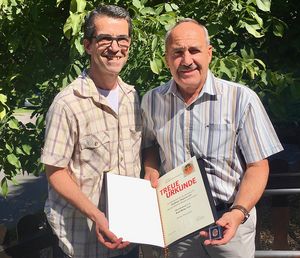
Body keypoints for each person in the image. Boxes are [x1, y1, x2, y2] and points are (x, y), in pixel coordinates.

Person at [141, 18, 283, 258]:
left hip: (229, 220)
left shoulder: (241, 99)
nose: (187, 61)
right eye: (177, 53)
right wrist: (150, 168)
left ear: (209, 54)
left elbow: (258, 166)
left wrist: (238, 213)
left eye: (194, 50)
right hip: (180, 222)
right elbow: (150, 145)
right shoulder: (152, 101)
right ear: (166, 59)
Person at [41, 5, 142, 258]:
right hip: (81, 243)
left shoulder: (133, 97)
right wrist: (96, 215)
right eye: (105, 39)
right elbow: (55, 171)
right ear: (87, 45)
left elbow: (143, 150)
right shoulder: (67, 103)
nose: (115, 48)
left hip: (128, 239)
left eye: (122, 39)